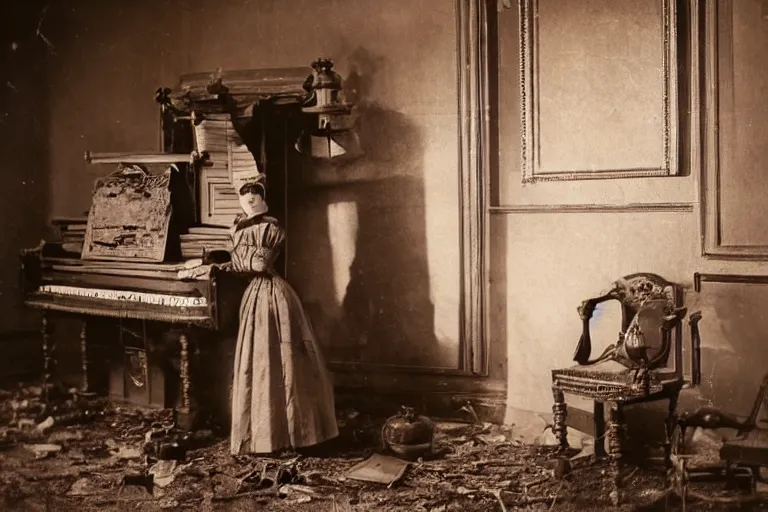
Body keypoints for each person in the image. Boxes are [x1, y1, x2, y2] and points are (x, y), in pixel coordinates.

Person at [228, 172, 338, 455]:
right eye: (244, 192)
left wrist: (239, 251)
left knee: (282, 360)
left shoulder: (271, 228)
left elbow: (259, 263)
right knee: (259, 361)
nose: (250, 197)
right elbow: (245, 263)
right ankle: (264, 435)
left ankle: (291, 433)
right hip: (254, 296)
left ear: (263, 196)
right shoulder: (239, 228)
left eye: (255, 191)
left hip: (273, 295)